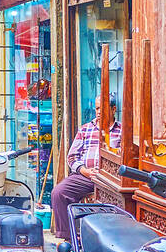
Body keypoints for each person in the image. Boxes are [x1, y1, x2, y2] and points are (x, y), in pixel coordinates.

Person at [50, 96, 121, 242]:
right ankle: (69, 238)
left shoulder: (122, 131)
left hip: (111, 179)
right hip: (86, 176)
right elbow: (72, 157)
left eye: (103, 108)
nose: (99, 112)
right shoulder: (86, 129)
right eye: (97, 108)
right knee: (59, 193)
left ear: (114, 109)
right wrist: (84, 171)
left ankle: (111, 241)